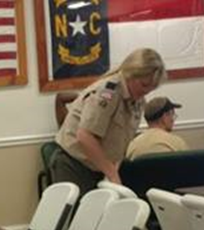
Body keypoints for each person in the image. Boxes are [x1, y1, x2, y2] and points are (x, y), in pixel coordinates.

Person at [50, 48, 165, 194]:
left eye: (152, 88)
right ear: (131, 75)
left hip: (99, 167)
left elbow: (119, 142)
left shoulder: (137, 101)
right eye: (144, 85)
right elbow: (85, 136)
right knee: (79, 215)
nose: (146, 91)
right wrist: (112, 174)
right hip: (74, 165)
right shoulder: (108, 92)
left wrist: (111, 170)